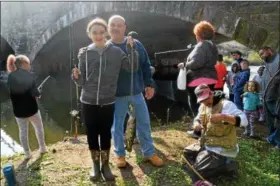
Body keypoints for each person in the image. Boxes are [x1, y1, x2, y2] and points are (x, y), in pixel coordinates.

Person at [72, 18, 138, 181]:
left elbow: (132, 67)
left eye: (101, 32)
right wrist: (76, 77)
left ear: (106, 33)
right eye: (94, 32)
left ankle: (106, 165)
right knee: (92, 134)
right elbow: (81, 82)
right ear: (89, 34)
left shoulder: (116, 51)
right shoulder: (84, 53)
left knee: (105, 134)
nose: (98, 35)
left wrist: (132, 49)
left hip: (108, 101)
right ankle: (95, 166)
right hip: (87, 101)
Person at [107, 15, 164, 168]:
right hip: (117, 95)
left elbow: (146, 65)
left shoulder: (136, 44)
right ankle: (120, 154)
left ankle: (149, 152)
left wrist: (149, 84)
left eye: (119, 25)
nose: (116, 28)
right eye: (113, 25)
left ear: (125, 27)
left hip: (136, 93)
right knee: (117, 125)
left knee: (144, 122)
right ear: (108, 27)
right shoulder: (106, 48)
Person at [183, 84, 248, 182]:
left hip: (222, 149)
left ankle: (228, 166)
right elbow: (197, 119)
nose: (205, 102)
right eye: (202, 100)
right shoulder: (203, 106)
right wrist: (196, 124)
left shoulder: (226, 105)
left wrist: (223, 117)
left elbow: (244, 121)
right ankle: (206, 162)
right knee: (187, 154)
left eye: (206, 98)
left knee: (197, 172)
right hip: (207, 143)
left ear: (211, 93)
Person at [6, 54, 47, 160]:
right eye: (28, 63)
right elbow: (35, 93)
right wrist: (38, 94)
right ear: (23, 64)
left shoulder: (10, 76)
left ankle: (27, 154)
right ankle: (42, 149)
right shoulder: (30, 76)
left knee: (23, 132)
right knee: (39, 128)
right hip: (32, 110)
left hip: (18, 112)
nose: (30, 66)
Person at [178, 21, 218, 117]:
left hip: (198, 79)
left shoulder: (201, 45)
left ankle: (198, 127)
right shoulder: (212, 46)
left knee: (195, 103)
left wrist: (184, 65)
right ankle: (206, 125)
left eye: (196, 34)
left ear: (199, 34)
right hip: (211, 78)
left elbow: (197, 63)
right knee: (206, 104)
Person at [258, 46, 280, 137]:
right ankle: (271, 137)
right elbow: (265, 79)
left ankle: (276, 140)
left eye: (262, 53)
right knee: (269, 119)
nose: (261, 56)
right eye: (260, 55)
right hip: (266, 96)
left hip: (276, 96)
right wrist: (261, 73)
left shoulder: (278, 59)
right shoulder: (266, 63)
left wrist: (277, 79)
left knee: (277, 118)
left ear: (269, 50)